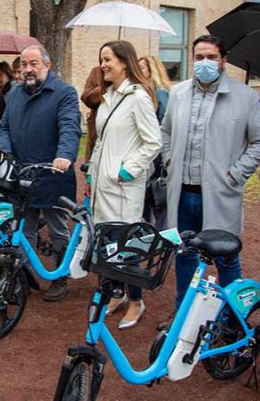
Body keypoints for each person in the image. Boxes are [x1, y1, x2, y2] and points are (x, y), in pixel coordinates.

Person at [159, 34, 260, 313]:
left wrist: (237, 174)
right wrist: (169, 159)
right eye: (199, 57)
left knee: (226, 256)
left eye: (211, 57)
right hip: (183, 192)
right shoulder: (178, 93)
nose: (205, 63)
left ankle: (232, 315)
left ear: (224, 61)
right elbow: (166, 131)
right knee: (184, 253)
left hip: (220, 192)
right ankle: (183, 314)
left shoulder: (244, 97)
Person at [0, 44, 82, 301]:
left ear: (47, 65)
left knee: (57, 227)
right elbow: (4, 127)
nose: (28, 69)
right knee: (24, 227)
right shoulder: (14, 94)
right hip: (21, 173)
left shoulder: (64, 93)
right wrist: (5, 153)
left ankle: (59, 275)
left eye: (33, 64)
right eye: (24, 65)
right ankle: (21, 276)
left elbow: (69, 126)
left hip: (51, 173)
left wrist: (65, 155)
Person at [89, 41, 162, 329]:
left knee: (126, 247)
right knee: (106, 246)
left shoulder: (138, 97)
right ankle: (116, 295)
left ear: (123, 62)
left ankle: (136, 301)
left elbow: (153, 142)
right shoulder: (108, 96)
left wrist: (126, 171)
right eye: (101, 59)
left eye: (107, 59)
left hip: (121, 187)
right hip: (102, 186)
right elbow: (103, 141)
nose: (103, 65)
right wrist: (94, 175)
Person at [138, 55, 171, 229]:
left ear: (152, 71)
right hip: (148, 158)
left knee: (157, 201)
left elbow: (163, 127)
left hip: (156, 160)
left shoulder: (160, 94)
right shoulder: (143, 93)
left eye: (142, 68)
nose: (138, 71)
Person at [80, 66, 104, 162]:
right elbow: (85, 97)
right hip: (96, 135)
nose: (104, 64)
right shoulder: (97, 72)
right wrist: (103, 88)